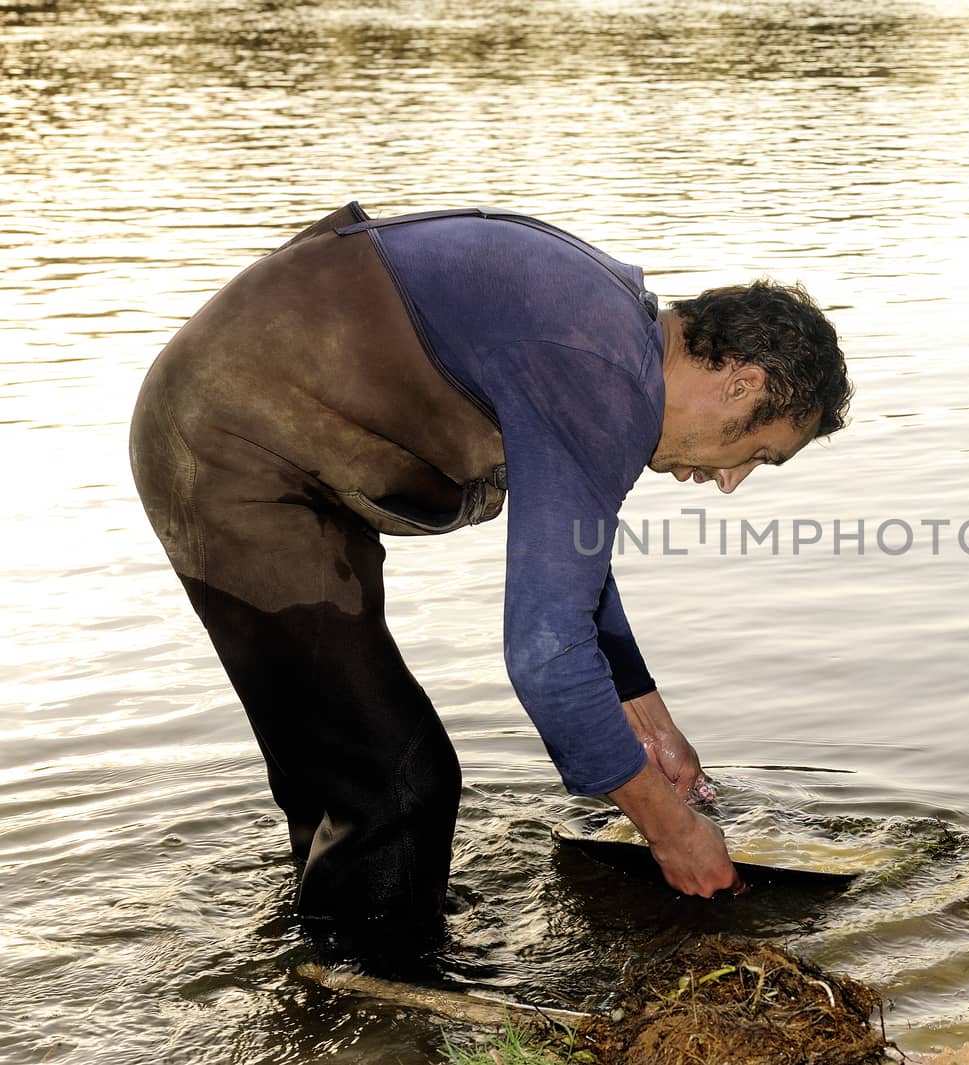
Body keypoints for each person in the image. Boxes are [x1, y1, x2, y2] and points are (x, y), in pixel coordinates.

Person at [128, 202, 851, 941]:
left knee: (345, 775)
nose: (733, 482)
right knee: (399, 783)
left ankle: (327, 982)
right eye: (759, 452)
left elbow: (572, 571)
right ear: (743, 384)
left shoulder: (611, 332)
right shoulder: (602, 371)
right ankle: (382, 1007)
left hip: (260, 435)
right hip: (229, 450)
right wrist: (672, 833)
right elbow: (547, 654)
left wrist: (650, 724)